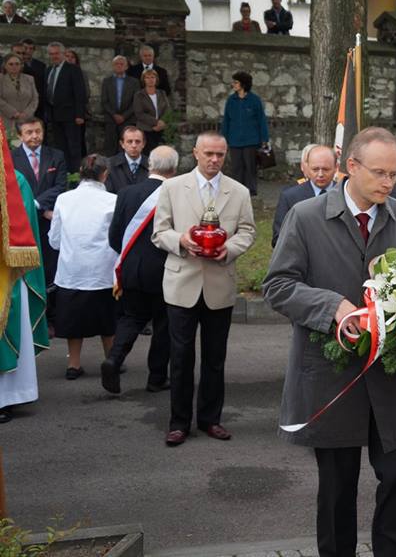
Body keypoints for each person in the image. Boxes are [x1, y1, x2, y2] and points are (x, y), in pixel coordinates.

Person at [263, 127, 396, 557]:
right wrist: (332, 306)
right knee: (336, 489)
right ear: (351, 167)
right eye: (380, 173)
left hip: (392, 375)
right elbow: (277, 286)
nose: (390, 182)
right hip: (332, 377)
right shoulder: (308, 216)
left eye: (395, 173)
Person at [152, 132, 255, 446]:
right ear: (195, 152)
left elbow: (248, 231)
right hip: (181, 282)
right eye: (208, 153)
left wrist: (231, 249)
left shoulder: (237, 191)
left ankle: (211, 419)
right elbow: (159, 232)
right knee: (181, 356)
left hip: (218, 283)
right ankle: (179, 423)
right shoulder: (171, 187)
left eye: (220, 155)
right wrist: (182, 240)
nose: (214, 160)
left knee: (215, 358)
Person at [101, 146, 180, 395]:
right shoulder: (177, 194)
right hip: (165, 269)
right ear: (175, 169)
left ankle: (114, 360)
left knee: (131, 318)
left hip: (132, 269)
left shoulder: (126, 193)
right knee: (164, 324)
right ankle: (156, 378)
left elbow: (115, 236)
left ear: (150, 166)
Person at [49, 154, 117, 380]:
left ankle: (73, 363)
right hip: (102, 271)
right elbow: (117, 239)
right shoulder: (113, 201)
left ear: (80, 172)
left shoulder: (64, 199)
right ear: (104, 174)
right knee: (107, 320)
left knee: (73, 320)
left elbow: (54, 240)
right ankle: (111, 359)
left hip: (72, 271)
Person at [0, 169, 49, 423]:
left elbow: (23, 226)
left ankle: (7, 397)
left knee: (8, 323)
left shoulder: (14, 179)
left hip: (6, 270)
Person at [11, 118, 66, 309]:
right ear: (19, 135)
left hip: (48, 225)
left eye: (38, 131)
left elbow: (60, 186)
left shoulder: (56, 155)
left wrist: (36, 204)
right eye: (29, 132)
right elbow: (12, 189)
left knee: (50, 267)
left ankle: (51, 315)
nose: (34, 136)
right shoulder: (11, 158)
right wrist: (37, 208)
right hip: (23, 224)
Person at [271, 144, 338, 247]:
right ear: (307, 168)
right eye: (315, 169)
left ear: (336, 168)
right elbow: (278, 238)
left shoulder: (347, 195)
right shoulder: (290, 197)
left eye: (325, 169)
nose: (320, 174)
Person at [220, 70, 269, 196]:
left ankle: (251, 191)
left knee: (250, 167)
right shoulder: (231, 101)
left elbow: (261, 120)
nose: (233, 84)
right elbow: (226, 120)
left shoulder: (254, 100)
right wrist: (222, 138)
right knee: (236, 167)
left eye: (236, 82)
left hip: (251, 141)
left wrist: (264, 138)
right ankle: (237, 192)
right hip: (234, 140)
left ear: (243, 84)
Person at [43, 41, 86, 171]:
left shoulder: (73, 69)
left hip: (71, 115)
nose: (54, 56)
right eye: (51, 54)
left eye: (56, 53)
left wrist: (79, 114)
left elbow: (80, 92)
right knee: (60, 146)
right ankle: (64, 172)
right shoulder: (48, 70)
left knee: (73, 146)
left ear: (63, 54)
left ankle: (75, 174)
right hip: (54, 115)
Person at [100, 55, 140, 150]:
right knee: (110, 147)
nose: (119, 66)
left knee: (127, 147)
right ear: (113, 66)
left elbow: (136, 101)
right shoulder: (107, 81)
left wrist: (124, 116)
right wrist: (114, 115)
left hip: (128, 119)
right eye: (116, 64)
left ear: (126, 67)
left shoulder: (134, 82)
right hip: (111, 119)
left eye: (121, 64)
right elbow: (104, 101)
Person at [133, 69, 170, 153]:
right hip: (146, 130)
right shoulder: (139, 95)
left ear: (156, 79)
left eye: (153, 77)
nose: (150, 80)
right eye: (147, 77)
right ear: (144, 80)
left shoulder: (162, 93)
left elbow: (168, 110)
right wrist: (156, 122)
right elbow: (139, 113)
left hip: (161, 129)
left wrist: (162, 122)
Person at [0, 52, 38, 134]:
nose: (14, 66)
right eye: (11, 64)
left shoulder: (29, 79)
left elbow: (35, 99)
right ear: (5, 66)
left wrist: (26, 114)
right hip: (6, 120)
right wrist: (14, 113)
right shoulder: (1, 79)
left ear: (21, 65)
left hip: (27, 121)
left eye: (17, 64)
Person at [105, 126, 150, 194]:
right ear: (122, 144)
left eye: (137, 142)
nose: (134, 145)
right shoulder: (110, 165)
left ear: (143, 144)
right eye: (129, 141)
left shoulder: (152, 165)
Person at [15, 39, 45, 121]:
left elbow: (42, 86)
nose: (28, 51)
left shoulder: (41, 66)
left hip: (37, 106)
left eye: (31, 48)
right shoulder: (10, 65)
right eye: (25, 48)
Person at [64, 48, 91, 127]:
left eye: (72, 57)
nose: (69, 59)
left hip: (77, 111)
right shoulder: (59, 73)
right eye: (67, 56)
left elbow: (86, 92)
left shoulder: (81, 73)